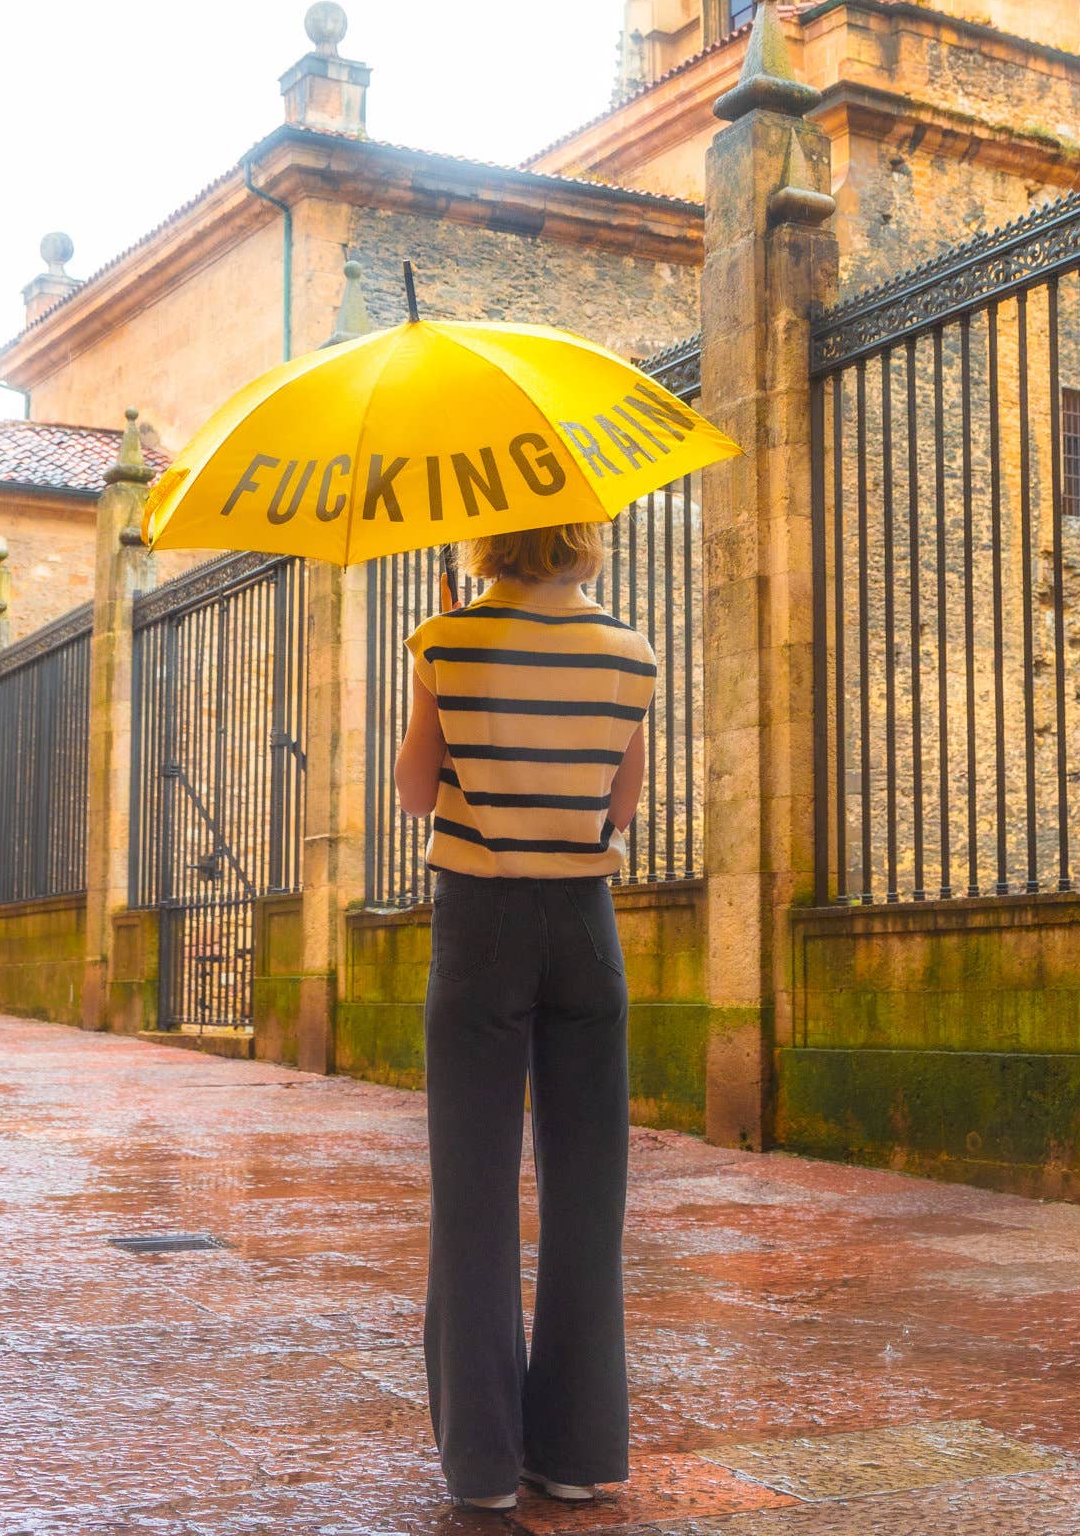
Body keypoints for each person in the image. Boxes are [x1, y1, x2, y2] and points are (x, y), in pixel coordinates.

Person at [394, 520, 655, 1515]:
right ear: (582, 534)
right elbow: (621, 806)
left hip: (481, 921)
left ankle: (485, 1466)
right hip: (587, 926)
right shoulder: (630, 648)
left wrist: (454, 701)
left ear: (485, 536)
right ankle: (580, 1451)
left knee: (473, 1191)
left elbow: (418, 791)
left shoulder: (445, 639)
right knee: (588, 1191)